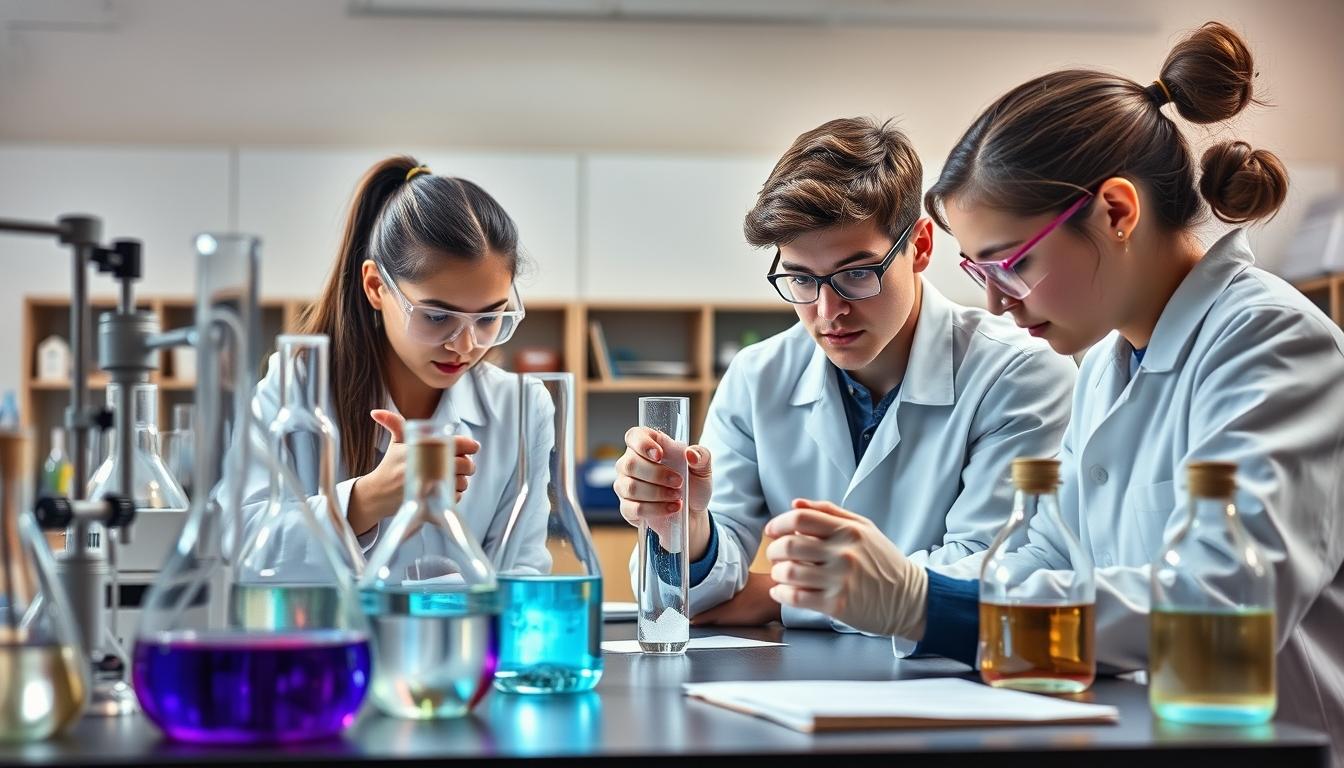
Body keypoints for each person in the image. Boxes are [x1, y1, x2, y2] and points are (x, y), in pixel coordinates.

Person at [764, 22, 1344, 751]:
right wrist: (888, 582)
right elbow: (1041, 553)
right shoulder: (1105, 364)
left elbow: (1219, 603)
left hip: (1269, 744)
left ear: (1116, 212)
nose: (997, 303)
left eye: (1013, 264)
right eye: (980, 273)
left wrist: (924, 603)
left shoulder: (1270, 341)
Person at [614, 117, 1078, 629]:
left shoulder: (1018, 371)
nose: (828, 310)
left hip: (955, 686)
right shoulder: (757, 376)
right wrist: (685, 525)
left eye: (857, 274)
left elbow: (989, 576)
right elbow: (692, 598)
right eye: (800, 279)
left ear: (920, 246)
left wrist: (778, 599)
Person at [224, 155, 552, 572]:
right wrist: (368, 498)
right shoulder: (298, 387)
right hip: (331, 637)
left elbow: (522, 571)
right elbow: (236, 543)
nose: (465, 345)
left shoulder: (523, 407)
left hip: (464, 639)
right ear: (376, 287)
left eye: (489, 318)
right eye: (437, 317)